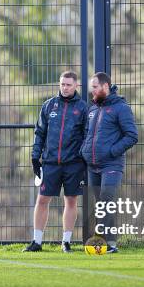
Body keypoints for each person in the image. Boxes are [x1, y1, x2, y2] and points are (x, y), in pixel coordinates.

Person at [24, 71, 88, 253]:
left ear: (76, 86)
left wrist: (81, 157)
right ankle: (37, 242)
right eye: (62, 84)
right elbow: (39, 133)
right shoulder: (49, 106)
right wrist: (35, 156)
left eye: (68, 84)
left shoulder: (83, 108)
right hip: (50, 163)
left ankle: (66, 242)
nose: (65, 87)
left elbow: (87, 136)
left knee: (71, 201)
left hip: (74, 164)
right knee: (42, 199)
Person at [80, 72, 138, 253]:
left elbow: (132, 136)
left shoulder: (121, 108)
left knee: (106, 199)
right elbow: (86, 134)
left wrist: (112, 152)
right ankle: (111, 244)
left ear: (105, 87)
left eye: (95, 87)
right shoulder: (92, 109)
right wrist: (84, 150)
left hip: (112, 165)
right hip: (92, 165)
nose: (92, 91)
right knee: (101, 204)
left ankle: (101, 242)